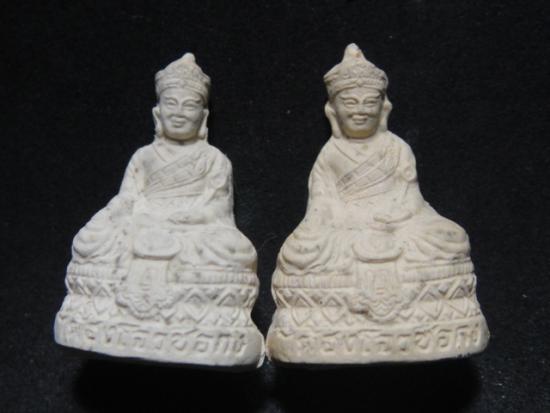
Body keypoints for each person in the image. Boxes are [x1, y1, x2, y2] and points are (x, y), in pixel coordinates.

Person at [267, 44, 489, 364]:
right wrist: (346, 221)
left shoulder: (397, 148)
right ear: (332, 110)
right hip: (344, 229)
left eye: (369, 102)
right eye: (350, 102)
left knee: (451, 239)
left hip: (397, 225)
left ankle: (428, 319)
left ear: (383, 108)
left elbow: (411, 197)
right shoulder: (330, 155)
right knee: (299, 251)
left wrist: (394, 216)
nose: (360, 111)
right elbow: (320, 206)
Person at [55, 53, 264, 367]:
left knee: (234, 251)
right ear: (158, 112)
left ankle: (203, 322)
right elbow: (127, 197)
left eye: (189, 106)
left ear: (203, 116)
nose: (179, 113)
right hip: (144, 222)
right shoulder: (143, 156)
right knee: (90, 239)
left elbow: (218, 209)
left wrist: (191, 217)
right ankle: (101, 313)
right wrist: (118, 213)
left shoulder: (214, 159)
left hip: (192, 228)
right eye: (171, 104)